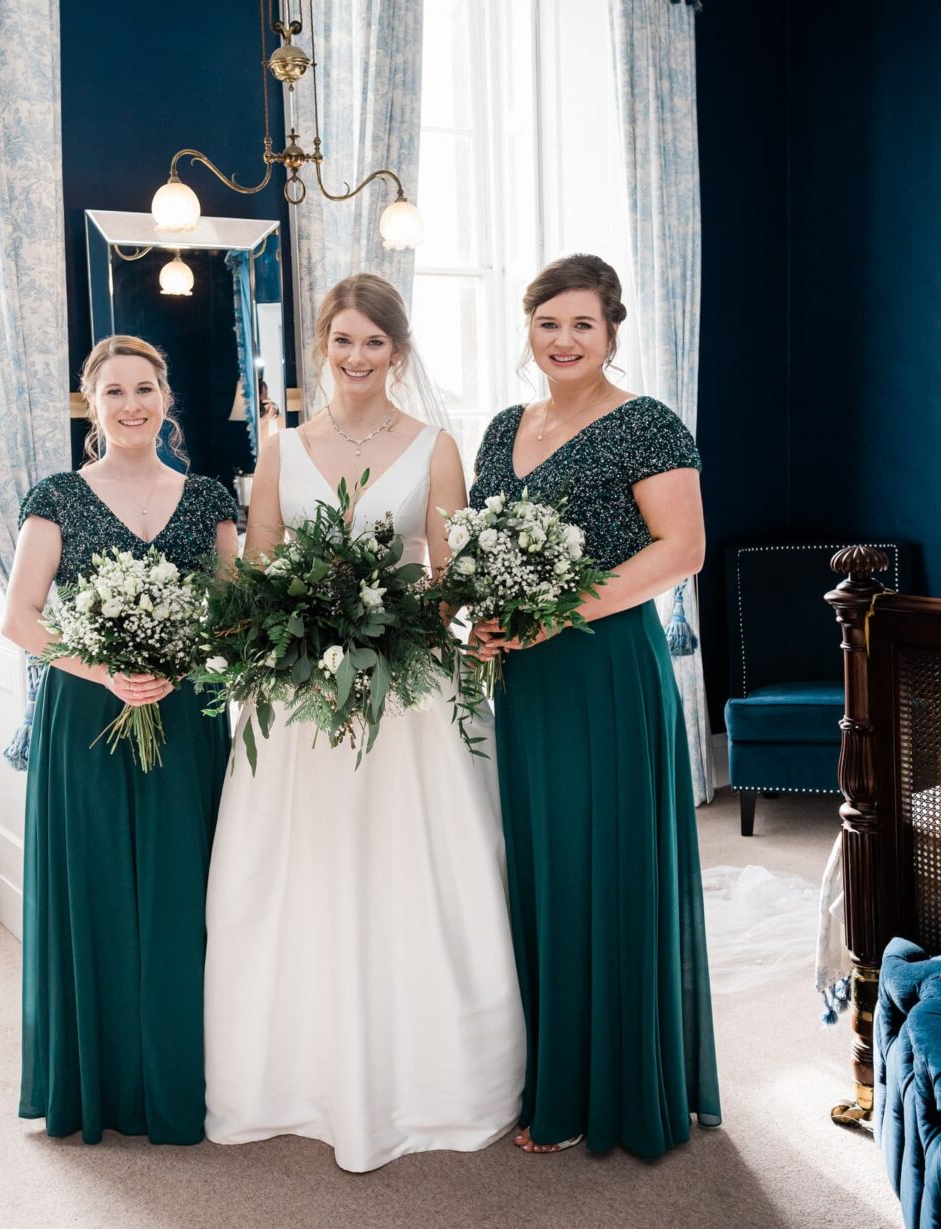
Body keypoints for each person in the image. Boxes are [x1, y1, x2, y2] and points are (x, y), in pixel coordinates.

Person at [203, 274, 525, 1173]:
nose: (355, 358)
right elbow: (261, 573)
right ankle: (295, 1075)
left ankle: (433, 1076)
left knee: (413, 872)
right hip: (304, 705)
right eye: (342, 341)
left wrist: (448, 622)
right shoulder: (282, 447)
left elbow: (451, 576)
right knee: (299, 879)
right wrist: (300, 628)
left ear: (399, 351)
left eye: (372, 344)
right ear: (321, 343)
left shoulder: (437, 447)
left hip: (410, 693)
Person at [469, 253, 721, 1156]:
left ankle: (620, 1087)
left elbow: (682, 548)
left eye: (582, 323)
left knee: (610, 863)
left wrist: (554, 615)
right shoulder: (504, 429)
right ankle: (558, 1079)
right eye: (547, 323)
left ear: (612, 330)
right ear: (528, 333)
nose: (564, 339)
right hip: (526, 683)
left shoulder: (647, 423)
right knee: (544, 863)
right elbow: (485, 551)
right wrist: (490, 621)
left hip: (608, 667)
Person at [3, 335, 238, 1144]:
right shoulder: (58, 496)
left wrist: (186, 659)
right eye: (114, 392)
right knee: (96, 895)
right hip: (88, 717)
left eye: (145, 388)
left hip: (187, 714)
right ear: (91, 403)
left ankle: (179, 1078)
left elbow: (233, 614)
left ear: (165, 396)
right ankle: (95, 1084)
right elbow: (21, 617)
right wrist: (104, 670)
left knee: (184, 895)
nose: (132, 404)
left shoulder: (208, 498)